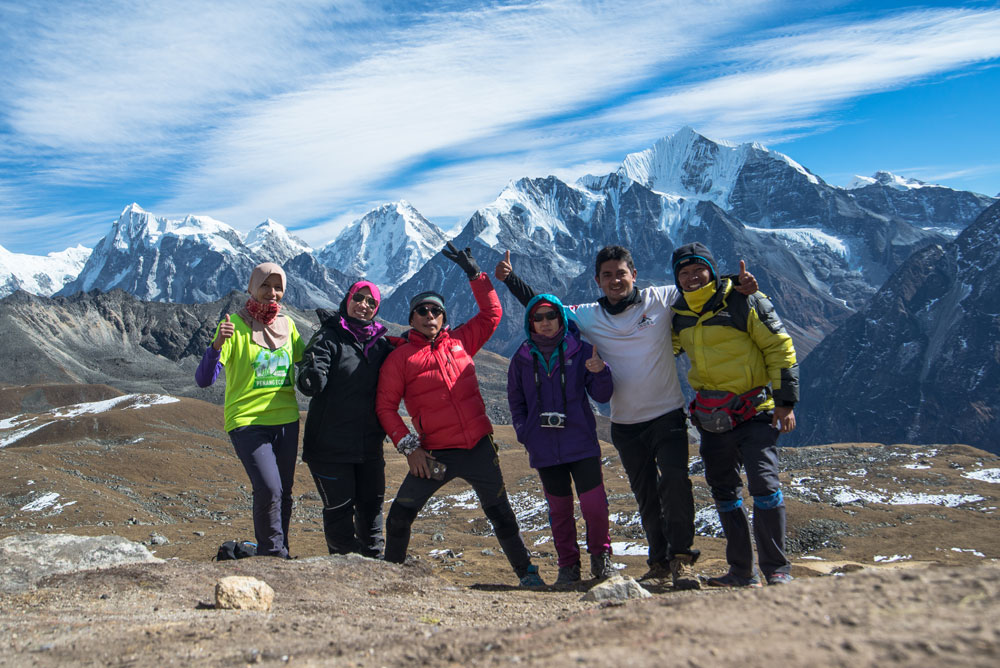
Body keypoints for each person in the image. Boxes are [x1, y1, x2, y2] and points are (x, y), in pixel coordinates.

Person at [496, 246, 757, 589]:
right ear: (598, 281)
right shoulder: (588, 315)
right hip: (625, 423)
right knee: (646, 493)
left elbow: (698, 286)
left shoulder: (661, 298)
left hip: (667, 414)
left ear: (634, 274)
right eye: (607, 275)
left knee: (676, 483)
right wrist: (511, 280)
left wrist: (738, 283)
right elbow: (546, 310)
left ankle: (682, 560)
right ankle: (659, 562)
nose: (615, 280)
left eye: (621, 273)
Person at [376, 242, 545, 587]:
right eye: (421, 311)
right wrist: (410, 448)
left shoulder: (461, 342)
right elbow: (385, 407)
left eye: (435, 311)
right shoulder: (400, 359)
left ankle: (527, 574)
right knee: (399, 516)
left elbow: (491, 315)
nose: (429, 316)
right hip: (435, 453)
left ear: (444, 318)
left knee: (501, 514)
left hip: (479, 448)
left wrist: (475, 275)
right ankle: (390, 579)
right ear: (411, 319)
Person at [670, 242, 798, 587]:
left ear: (712, 270)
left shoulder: (744, 300)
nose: (693, 277)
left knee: (764, 485)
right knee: (724, 491)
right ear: (676, 278)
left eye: (699, 269)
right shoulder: (679, 314)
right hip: (713, 419)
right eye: (684, 272)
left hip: (755, 410)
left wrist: (786, 402)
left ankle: (777, 570)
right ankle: (742, 571)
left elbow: (779, 345)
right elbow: (660, 349)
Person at [195, 262, 304, 558]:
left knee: (284, 493)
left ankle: (279, 551)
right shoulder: (234, 325)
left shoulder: (288, 326)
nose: (272, 293)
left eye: (277, 287)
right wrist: (217, 344)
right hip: (247, 421)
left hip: (286, 420)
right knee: (269, 488)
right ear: (252, 288)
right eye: (265, 286)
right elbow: (204, 379)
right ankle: (273, 556)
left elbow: (306, 367)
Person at [507, 294, 615, 584]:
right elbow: (516, 401)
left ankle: (600, 559)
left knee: (594, 505)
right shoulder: (521, 358)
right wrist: (525, 432)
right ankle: (568, 566)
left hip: (580, 442)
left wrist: (601, 371)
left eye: (550, 316)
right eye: (538, 318)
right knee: (560, 510)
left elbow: (602, 395)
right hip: (543, 446)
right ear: (530, 322)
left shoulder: (582, 351)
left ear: (561, 319)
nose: (544, 323)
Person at [296, 280, 396, 558]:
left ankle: (376, 575)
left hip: (369, 448)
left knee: (372, 512)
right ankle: (343, 578)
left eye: (371, 302)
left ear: (377, 309)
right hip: (330, 448)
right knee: (339, 515)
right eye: (358, 298)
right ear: (347, 299)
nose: (364, 305)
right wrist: (312, 374)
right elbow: (311, 378)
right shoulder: (327, 338)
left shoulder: (381, 344)